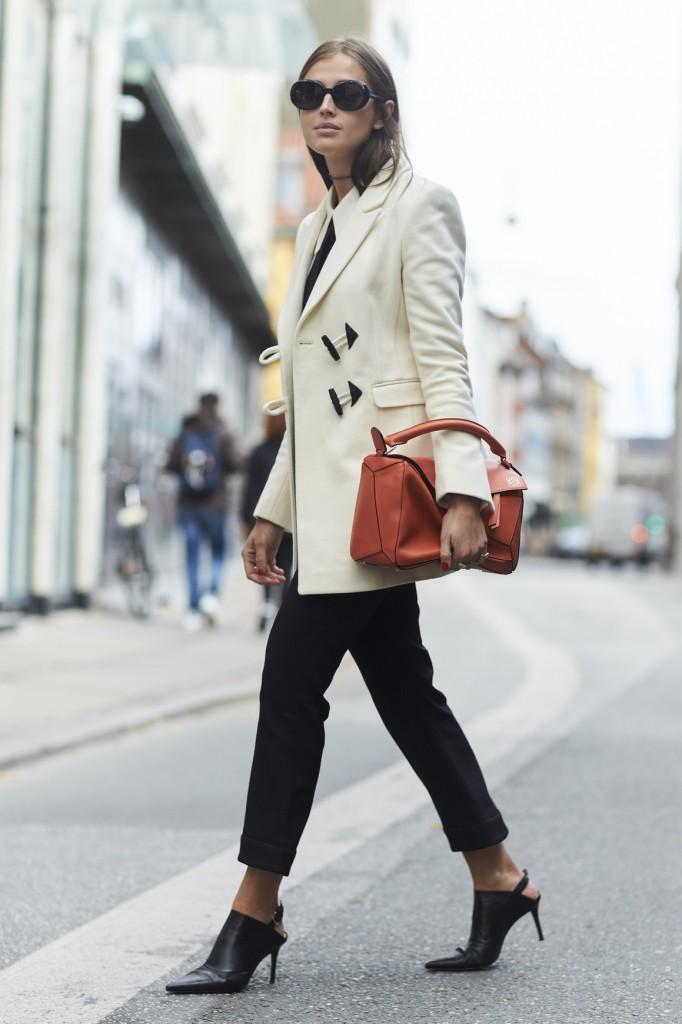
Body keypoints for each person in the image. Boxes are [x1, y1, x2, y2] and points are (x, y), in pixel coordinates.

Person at [167, 37, 542, 995]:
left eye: (348, 93)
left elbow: (442, 358)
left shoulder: (420, 208)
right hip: (329, 510)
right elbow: (306, 396)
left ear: (381, 109)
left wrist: (462, 487)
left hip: (382, 506)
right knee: (409, 699)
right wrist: (273, 511)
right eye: (311, 93)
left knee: (290, 691)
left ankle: (254, 912)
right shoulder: (318, 227)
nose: (325, 107)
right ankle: (499, 879)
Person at [166, 393, 242, 631]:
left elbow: (169, 465)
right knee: (218, 552)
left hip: (188, 505)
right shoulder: (222, 432)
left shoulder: (185, 432)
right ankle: (211, 595)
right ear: (216, 407)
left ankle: (192, 610)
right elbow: (237, 464)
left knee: (192, 556)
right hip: (215, 505)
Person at [240, 413, 293, 631]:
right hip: (289, 522)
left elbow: (249, 488)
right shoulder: (294, 452)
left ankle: (266, 605)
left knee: (263, 562)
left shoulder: (258, 452)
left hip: (262, 519)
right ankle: (284, 608)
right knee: (285, 568)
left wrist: (245, 518)